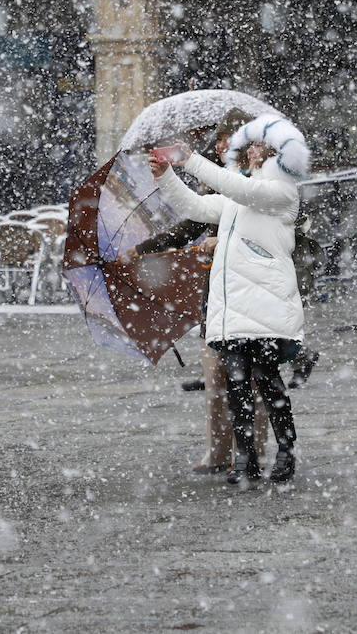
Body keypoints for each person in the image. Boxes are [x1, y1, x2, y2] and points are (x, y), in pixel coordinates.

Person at [149, 113, 310, 486]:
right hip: (234, 308)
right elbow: (197, 208)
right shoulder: (240, 194)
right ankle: (245, 456)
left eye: (258, 145)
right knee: (236, 384)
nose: (250, 151)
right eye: (251, 145)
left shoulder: (280, 191)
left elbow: (238, 190)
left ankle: (285, 450)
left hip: (267, 305)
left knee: (267, 380)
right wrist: (166, 177)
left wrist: (189, 159)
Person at [119, 108, 265, 475]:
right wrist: (142, 250)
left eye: (240, 141)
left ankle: (252, 452)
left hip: (253, 289)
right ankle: (218, 452)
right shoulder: (215, 182)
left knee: (255, 378)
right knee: (216, 374)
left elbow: (274, 235)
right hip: (217, 291)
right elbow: (192, 218)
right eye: (224, 140)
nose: (228, 147)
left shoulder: (263, 184)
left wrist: (226, 240)